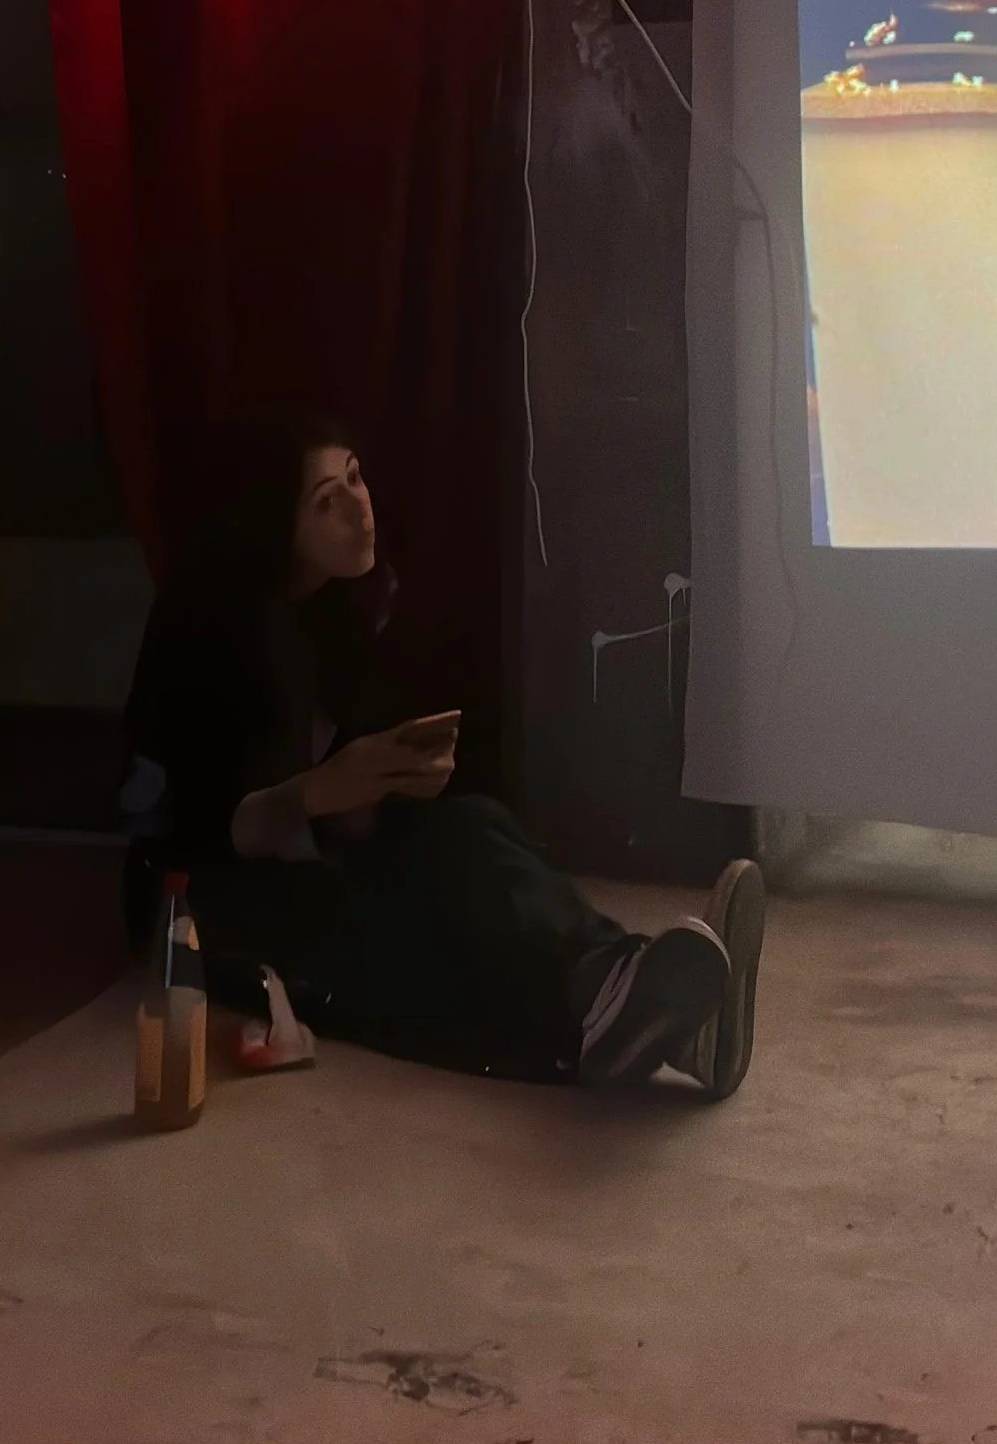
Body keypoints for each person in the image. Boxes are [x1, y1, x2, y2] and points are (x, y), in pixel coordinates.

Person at [122, 415, 763, 1093]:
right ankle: (602, 1021)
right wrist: (319, 793)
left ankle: (631, 994)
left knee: (470, 829)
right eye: (327, 501)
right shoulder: (208, 627)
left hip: (301, 855)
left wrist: (379, 787)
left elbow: (338, 814)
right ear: (273, 524)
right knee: (386, 931)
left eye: (356, 478)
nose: (359, 507)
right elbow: (193, 834)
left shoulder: (338, 608)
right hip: (199, 902)